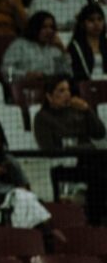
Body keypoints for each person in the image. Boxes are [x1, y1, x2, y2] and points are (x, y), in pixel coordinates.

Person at [33, 74, 107, 223]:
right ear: (49, 96)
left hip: (87, 161)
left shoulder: (77, 110)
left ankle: (97, 220)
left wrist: (87, 110)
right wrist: (81, 145)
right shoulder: (42, 117)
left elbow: (100, 133)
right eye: (61, 90)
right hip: (63, 166)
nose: (67, 94)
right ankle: (95, 221)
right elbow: (49, 148)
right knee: (99, 175)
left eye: (67, 90)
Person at [0, 11, 71, 82]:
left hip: (50, 88)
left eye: (51, 27)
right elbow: (6, 70)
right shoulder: (19, 45)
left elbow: (67, 73)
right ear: (35, 28)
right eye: (44, 27)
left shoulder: (55, 49)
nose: (49, 31)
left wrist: (62, 49)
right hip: (25, 86)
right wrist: (25, 75)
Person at [68, 2, 107, 80]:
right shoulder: (76, 46)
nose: (96, 23)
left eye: (99, 19)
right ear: (83, 24)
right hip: (85, 87)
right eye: (91, 20)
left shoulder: (105, 44)